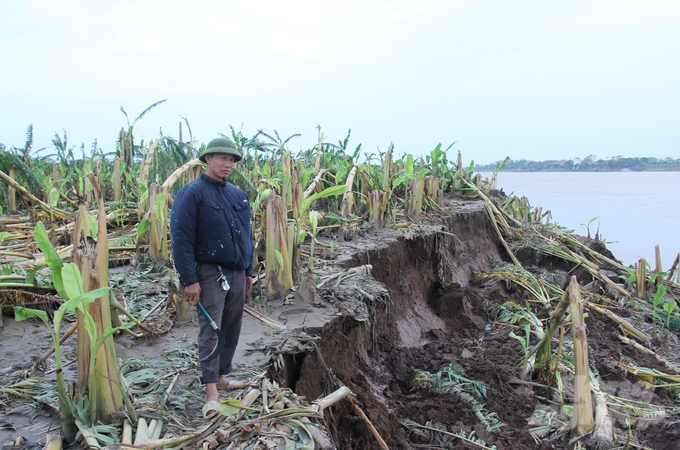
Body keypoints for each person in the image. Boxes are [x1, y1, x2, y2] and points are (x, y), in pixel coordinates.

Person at [170, 137, 254, 419]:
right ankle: (210, 391)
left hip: (237, 271)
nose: (228, 164)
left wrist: (249, 270)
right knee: (211, 328)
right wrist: (189, 279)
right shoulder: (192, 193)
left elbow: (247, 236)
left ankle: (221, 376)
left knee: (232, 326)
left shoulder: (238, 195)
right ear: (207, 159)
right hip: (209, 273)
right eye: (222, 158)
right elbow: (181, 239)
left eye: (231, 160)